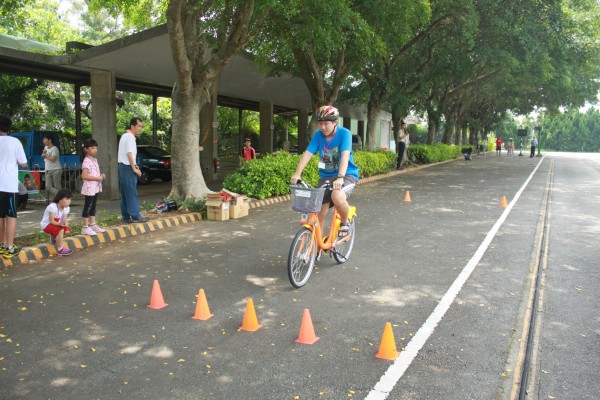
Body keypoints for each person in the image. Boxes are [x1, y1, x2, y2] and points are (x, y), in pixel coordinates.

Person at [290, 105, 359, 238]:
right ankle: (315, 247)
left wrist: (340, 177)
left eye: (326, 124)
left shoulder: (345, 134)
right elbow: (307, 154)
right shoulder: (318, 136)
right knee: (317, 213)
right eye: (320, 124)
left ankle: (345, 222)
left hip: (347, 174)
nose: (322, 127)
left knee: (337, 196)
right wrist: (297, 173)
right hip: (326, 176)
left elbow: (345, 155)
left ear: (334, 122)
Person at [0, 116, 28, 258]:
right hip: (9, 185)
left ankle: (1, 244)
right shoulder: (14, 141)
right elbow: (23, 163)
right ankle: (10, 247)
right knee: (11, 216)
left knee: (0, 216)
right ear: (9, 128)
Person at [118, 117, 149, 223]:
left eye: (141, 126)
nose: (140, 128)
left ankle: (125, 217)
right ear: (132, 126)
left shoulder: (124, 136)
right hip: (127, 167)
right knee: (131, 192)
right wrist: (135, 169)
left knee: (125, 193)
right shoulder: (130, 137)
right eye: (138, 126)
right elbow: (130, 154)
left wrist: (134, 167)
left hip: (123, 167)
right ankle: (136, 215)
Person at [80, 139, 106, 236]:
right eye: (92, 148)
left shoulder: (94, 160)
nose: (95, 150)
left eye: (96, 148)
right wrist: (97, 178)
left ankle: (92, 224)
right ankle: (85, 227)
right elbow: (84, 176)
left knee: (93, 206)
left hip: (95, 187)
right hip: (89, 187)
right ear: (86, 149)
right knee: (87, 206)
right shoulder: (86, 161)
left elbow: (95, 173)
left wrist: (101, 176)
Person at [40, 188, 73, 256]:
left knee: (67, 231)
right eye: (67, 199)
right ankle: (60, 249)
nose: (69, 201)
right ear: (60, 199)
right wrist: (61, 225)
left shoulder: (67, 208)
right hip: (47, 225)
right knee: (60, 230)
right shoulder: (52, 207)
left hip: (57, 223)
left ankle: (53, 237)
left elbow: (64, 219)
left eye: (70, 199)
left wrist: (65, 224)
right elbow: (52, 221)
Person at [42, 133, 62, 197]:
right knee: (48, 186)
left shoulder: (55, 149)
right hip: (48, 169)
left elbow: (53, 159)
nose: (44, 141)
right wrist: (43, 155)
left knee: (57, 186)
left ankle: (60, 198)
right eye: (43, 139)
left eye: (45, 139)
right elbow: (43, 155)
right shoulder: (45, 147)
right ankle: (61, 195)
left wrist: (46, 155)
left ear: (50, 140)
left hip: (56, 169)